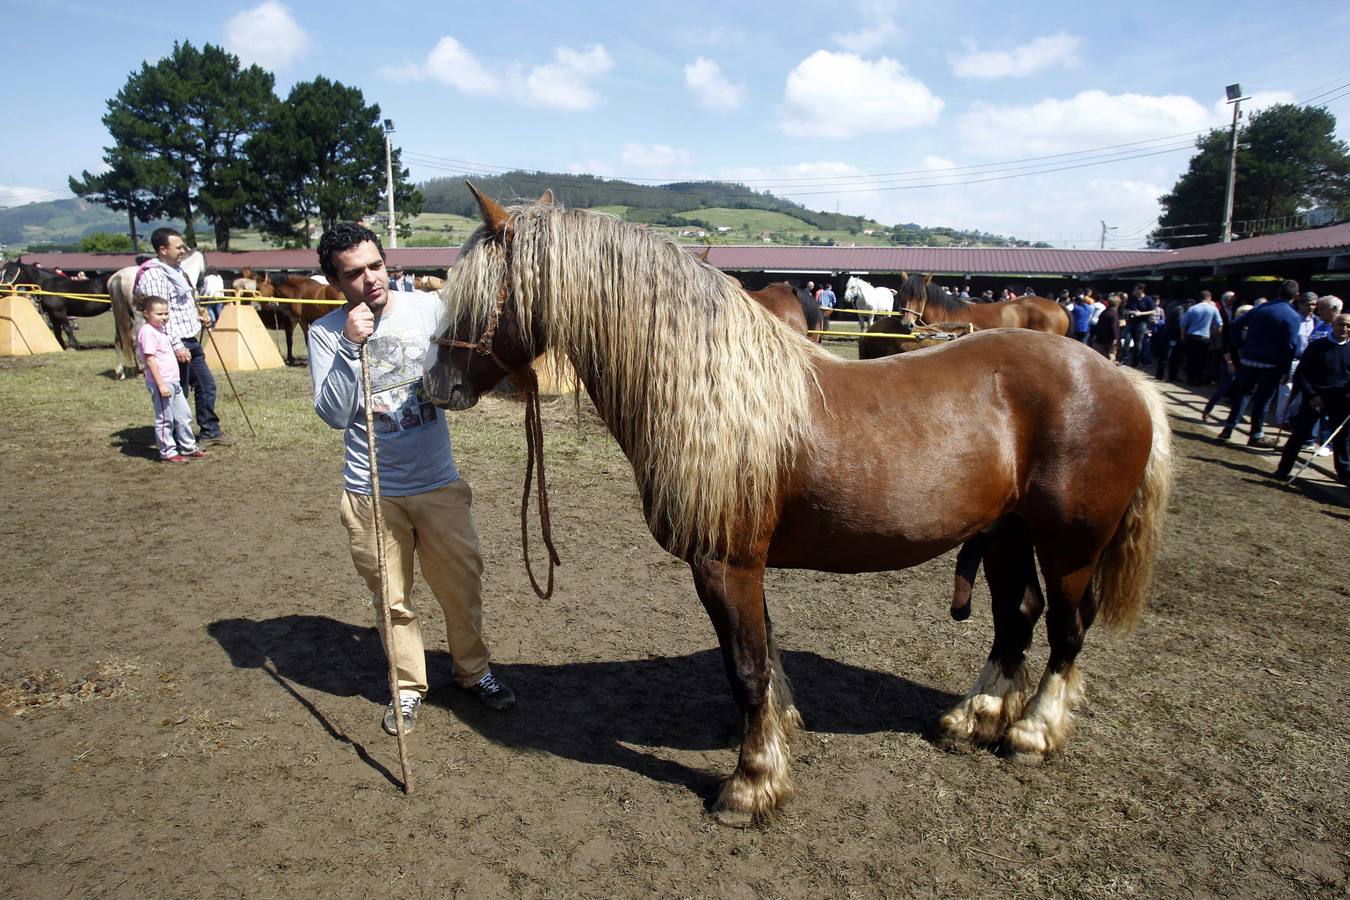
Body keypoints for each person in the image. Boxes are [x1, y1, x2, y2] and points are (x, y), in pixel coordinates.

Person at [308, 222, 514, 737]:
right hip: (371, 490)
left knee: (461, 586)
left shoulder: (426, 310)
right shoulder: (326, 333)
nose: (371, 280)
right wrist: (347, 349)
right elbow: (333, 414)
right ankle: (406, 688)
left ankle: (474, 671)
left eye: (375, 266)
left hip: (438, 483)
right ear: (336, 282)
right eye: (354, 274)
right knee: (391, 597)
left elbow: (471, 353)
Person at [134, 227, 233, 447]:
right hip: (172, 344)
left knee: (207, 385)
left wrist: (201, 314)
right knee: (179, 392)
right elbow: (159, 317)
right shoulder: (155, 276)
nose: (182, 251)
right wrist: (177, 345)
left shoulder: (178, 271)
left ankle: (210, 431)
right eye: (178, 247)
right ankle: (179, 438)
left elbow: (184, 302)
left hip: (190, 339)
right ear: (162, 249)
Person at [1218, 279, 1304, 448]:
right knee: (1263, 400)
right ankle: (1256, 434)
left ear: (1278, 292)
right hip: (1272, 364)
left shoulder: (1261, 308)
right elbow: (1291, 345)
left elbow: (1235, 325)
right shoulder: (1293, 315)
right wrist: (1287, 368)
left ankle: (1228, 428)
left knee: (1243, 394)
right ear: (1297, 296)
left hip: (1249, 359)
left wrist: (1241, 345)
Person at [1273, 313, 1350, 483]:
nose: (1344, 329)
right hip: (1315, 398)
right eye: (1341, 325)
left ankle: (1344, 473)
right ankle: (1283, 469)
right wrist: (1313, 396)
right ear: (1334, 325)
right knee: (1299, 435)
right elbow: (1302, 374)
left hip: (1341, 401)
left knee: (1341, 438)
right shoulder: (1317, 346)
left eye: (1348, 326)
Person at [135, 296, 207, 464]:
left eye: (166, 313)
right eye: (159, 314)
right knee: (165, 419)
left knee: (183, 415)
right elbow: (151, 359)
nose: (164, 317)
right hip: (163, 383)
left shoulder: (161, 330)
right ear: (147, 314)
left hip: (174, 381)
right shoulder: (147, 332)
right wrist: (160, 384)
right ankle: (167, 452)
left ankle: (188, 446)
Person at [1179, 291, 1222, 386]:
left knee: (1191, 358)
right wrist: (1215, 333)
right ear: (1209, 298)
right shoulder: (1213, 309)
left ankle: (1190, 379)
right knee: (1202, 359)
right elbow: (1219, 324)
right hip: (1205, 336)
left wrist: (1182, 336)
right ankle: (1198, 379)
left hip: (1192, 336)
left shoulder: (1192, 309)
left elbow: (1183, 323)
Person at [1093, 294, 1121, 361]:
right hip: (1110, 339)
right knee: (1110, 355)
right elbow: (1113, 326)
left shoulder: (1104, 312)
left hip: (1101, 338)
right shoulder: (1114, 313)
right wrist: (1115, 339)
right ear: (1117, 304)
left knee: (1101, 356)